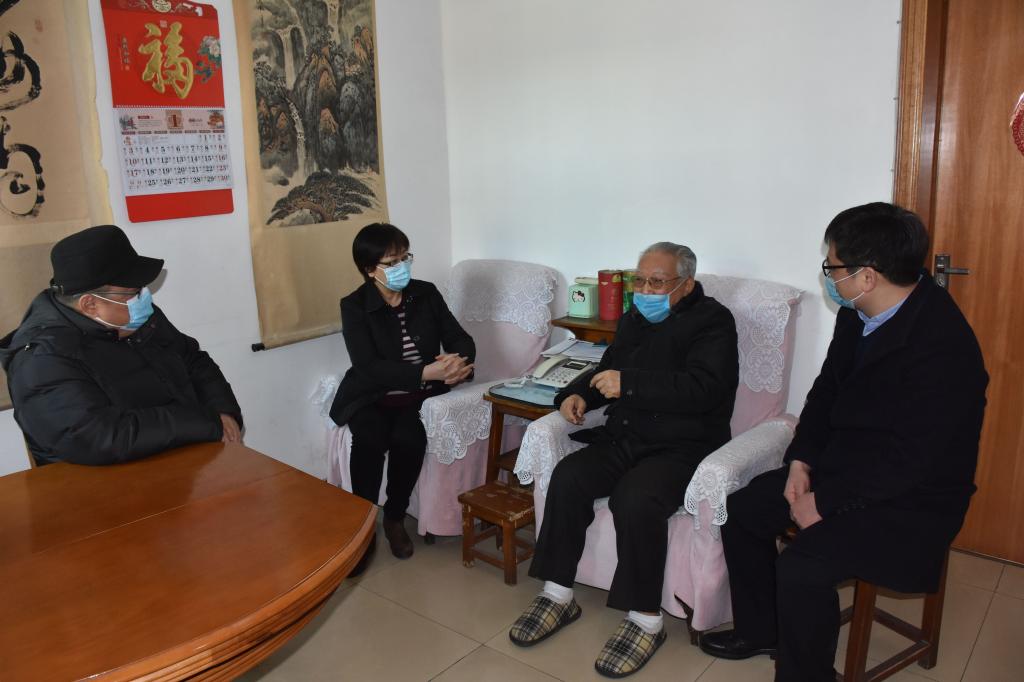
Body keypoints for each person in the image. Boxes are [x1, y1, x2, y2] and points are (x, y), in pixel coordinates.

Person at [699, 203, 988, 681]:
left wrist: (824, 502)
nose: (828, 276)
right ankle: (762, 630)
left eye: (832, 266)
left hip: (912, 500)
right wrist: (801, 462)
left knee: (801, 569)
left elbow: (913, 459)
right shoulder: (859, 313)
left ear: (867, 276)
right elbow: (826, 392)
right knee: (744, 511)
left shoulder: (943, 347)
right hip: (847, 468)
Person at [508, 242, 739, 678]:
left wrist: (628, 384)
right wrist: (575, 394)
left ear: (687, 284)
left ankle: (646, 619)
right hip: (627, 436)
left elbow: (704, 389)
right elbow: (607, 369)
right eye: (640, 280)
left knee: (636, 499)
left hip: (682, 446)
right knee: (569, 477)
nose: (645, 291)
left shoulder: (714, 322)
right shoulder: (635, 319)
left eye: (657, 282)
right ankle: (558, 594)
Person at [0, 225, 243, 467]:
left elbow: (193, 359)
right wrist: (205, 423)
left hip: (179, 456)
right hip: (103, 480)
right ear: (90, 304)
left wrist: (222, 412)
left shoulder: (135, 316)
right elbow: (99, 437)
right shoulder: (40, 359)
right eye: (132, 292)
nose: (144, 298)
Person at [329, 223, 474, 571]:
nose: (402, 267)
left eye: (405, 257)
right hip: (371, 395)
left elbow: (460, 338)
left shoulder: (425, 294)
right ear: (370, 269)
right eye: (392, 262)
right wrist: (425, 372)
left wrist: (459, 362)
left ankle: (394, 518)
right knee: (370, 438)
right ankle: (362, 529)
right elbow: (367, 366)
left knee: (409, 438)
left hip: (417, 397)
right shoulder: (354, 306)